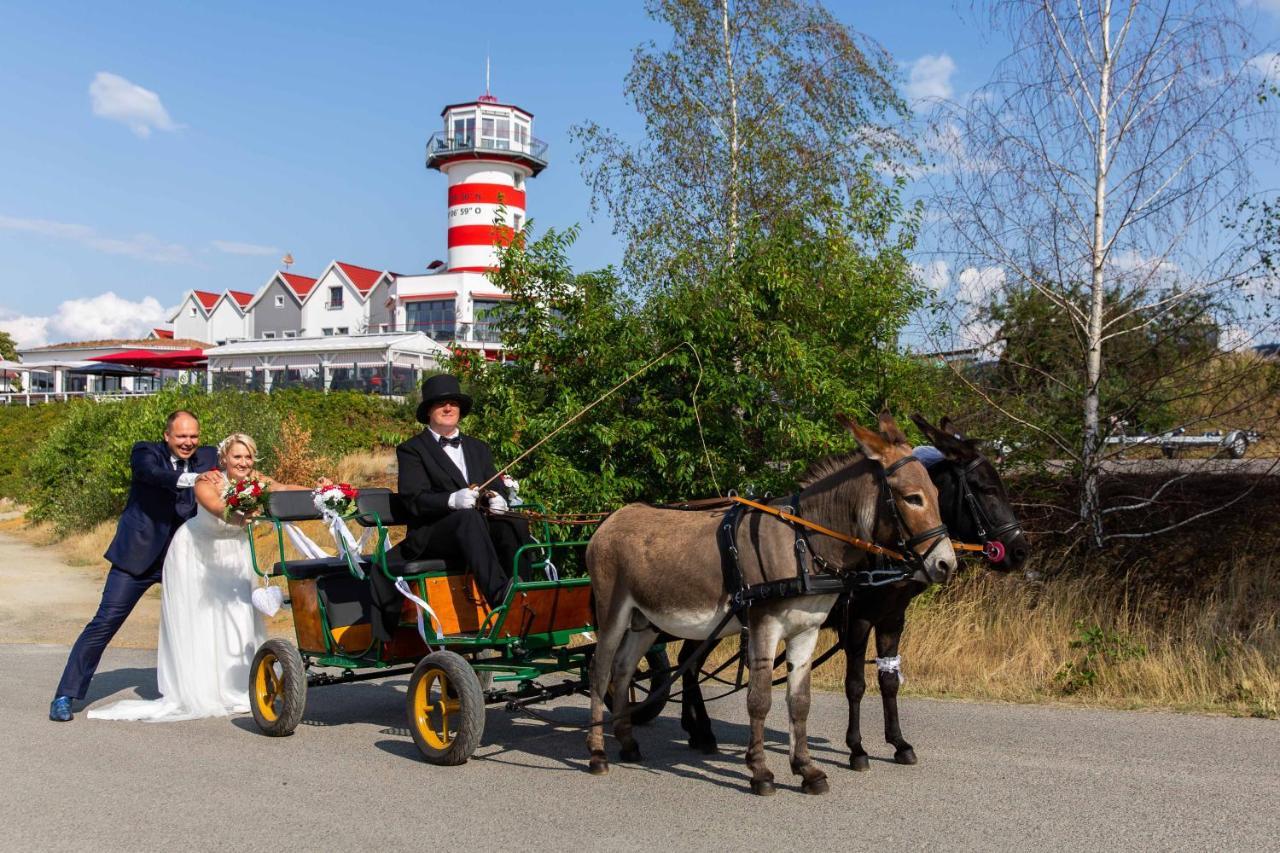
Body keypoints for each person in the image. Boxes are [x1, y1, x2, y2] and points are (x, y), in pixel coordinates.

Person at [87, 433, 311, 722]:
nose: (243, 462)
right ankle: (201, 689)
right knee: (201, 620)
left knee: (239, 615)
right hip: (196, 555)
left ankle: (239, 685)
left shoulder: (256, 480)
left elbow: (284, 489)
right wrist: (246, 515)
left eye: (248, 457)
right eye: (237, 457)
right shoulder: (207, 482)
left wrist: (320, 493)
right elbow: (219, 510)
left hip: (234, 554)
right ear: (224, 459)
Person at [50, 411, 217, 722]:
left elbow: (240, 471)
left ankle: (204, 692)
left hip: (183, 559)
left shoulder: (208, 456)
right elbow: (152, 475)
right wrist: (196, 479)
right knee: (104, 623)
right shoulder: (145, 452)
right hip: (137, 559)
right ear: (167, 436)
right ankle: (65, 694)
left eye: (193, 436)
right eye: (181, 436)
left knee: (203, 621)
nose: (188, 442)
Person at [371, 374, 528, 641]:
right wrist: (450, 500)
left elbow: (494, 484)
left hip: (478, 529)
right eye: (440, 404)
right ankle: (502, 597)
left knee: (515, 521)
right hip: (434, 534)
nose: (448, 408)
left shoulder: (479, 448)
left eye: (453, 403)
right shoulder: (412, 450)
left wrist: (499, 498)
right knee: (467, 519)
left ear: (460, 409)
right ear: (429, 411)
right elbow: (413, 499)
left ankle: (525, 592)